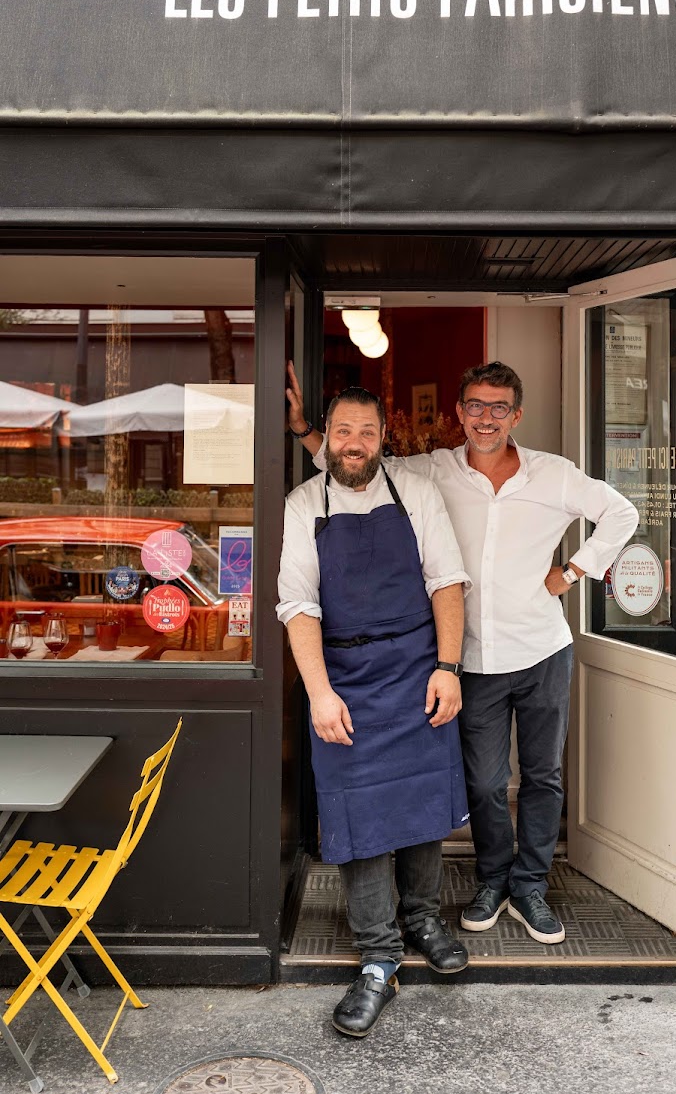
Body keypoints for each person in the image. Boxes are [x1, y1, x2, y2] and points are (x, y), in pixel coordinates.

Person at [286, 360, 638, 946]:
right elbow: (356, 460)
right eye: (475, 405)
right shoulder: (433, 471)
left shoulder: (554, 475)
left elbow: (621, 512)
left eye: (499, 407)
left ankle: (530, 886)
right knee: (484, 782)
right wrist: (305, 432)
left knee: (545, 776)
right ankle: (493, 881)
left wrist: (573, 572)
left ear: (516, 416)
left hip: (541, 648)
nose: (486, 417)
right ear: (459, 412)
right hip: (470, 659)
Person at [277, 385, 472, 1038]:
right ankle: (379, 958)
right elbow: (297, 604)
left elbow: (446, 580)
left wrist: (447, 669)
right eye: (342, 431)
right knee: (358, 819)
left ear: (383, 437)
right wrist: (319, 692)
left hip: (418, 670)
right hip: (344, 681)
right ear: (325, 437)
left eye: (366, 431)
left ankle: (422, 918)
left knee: (419, 806)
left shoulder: (414, 493)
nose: (353, 442)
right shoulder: (304, 504)